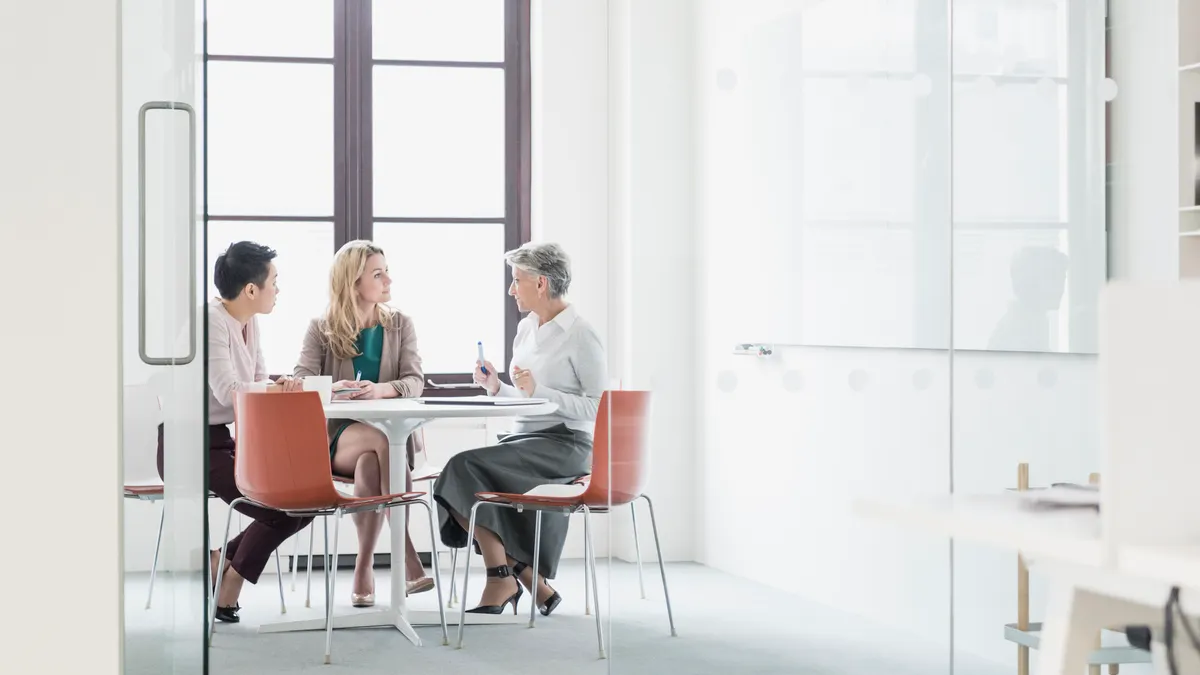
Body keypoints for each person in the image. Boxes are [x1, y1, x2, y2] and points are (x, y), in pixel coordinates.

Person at [433, 242, 606, 616]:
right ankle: (524, 576)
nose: (512, 290)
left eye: (517, 281)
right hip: (525, 439)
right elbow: (528, 398)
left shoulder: (581, 335)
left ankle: (502, 577)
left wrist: (538, 390)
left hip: (565, 443)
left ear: (541, 284)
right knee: (459, 480)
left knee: (461, 468)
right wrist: (497, 386)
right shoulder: (526, 329)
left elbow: (596, 408)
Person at [156, 240, 309, 624]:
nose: (278, 289)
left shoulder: (247, 321)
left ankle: (220, 560)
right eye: (274, 281)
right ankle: (230, 586)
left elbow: (256, 382)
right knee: (283, 510)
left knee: (302, 501)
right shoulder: (209, 320)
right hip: (188, 445)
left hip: (224, 440)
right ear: (251, 290)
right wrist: (272, 388)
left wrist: (280, 384)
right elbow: (230, 391)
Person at [295, 239, 432, 607]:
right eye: (378, 273)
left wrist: (382, 390)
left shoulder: (400, 324)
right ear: (354, 282)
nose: (388, 280)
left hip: (388, 443)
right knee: (383, 442)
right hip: (339, 439)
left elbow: (415, 381)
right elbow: (300, 382)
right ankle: (406, 555)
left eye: (386, 270)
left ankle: (364, 564)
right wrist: (334, 388)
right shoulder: (321, 328)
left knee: (373, 461)